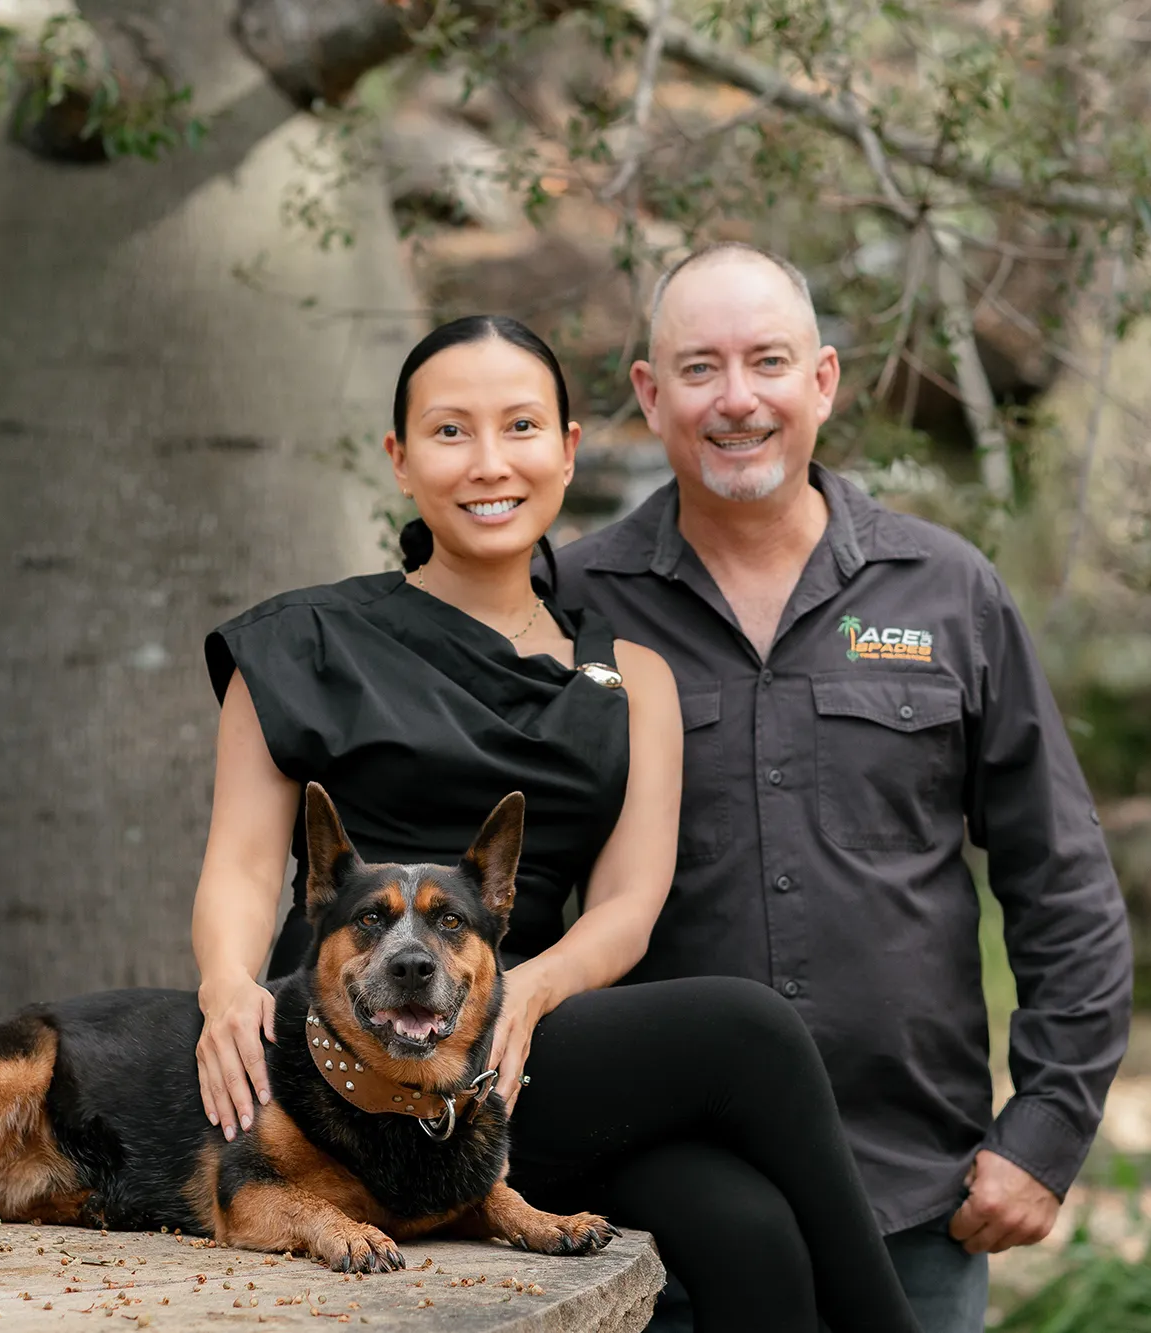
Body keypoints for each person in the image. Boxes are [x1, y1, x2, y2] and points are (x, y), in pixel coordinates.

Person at [186, 314, 921, 1333]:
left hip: (533, 1043)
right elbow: (238, 864)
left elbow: (626, 904)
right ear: (399, 461)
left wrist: (530, 987)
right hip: (353, 1055)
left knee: (747, 1231)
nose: (489, 462)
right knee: (748, 1028)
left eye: (521, 426)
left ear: (568, 450)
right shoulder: (300, 640)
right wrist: (224, 983)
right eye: (450, 432)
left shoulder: (635, 678)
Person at [552, 243, 1134, 1333]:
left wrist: (1045, 1131)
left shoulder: (946, 590)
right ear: (647, 392)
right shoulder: (571, 607)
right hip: (653, 1221)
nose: (736, 400)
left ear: (821, 379)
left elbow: (1061, 879)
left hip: (909, 1207)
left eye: (766, 362)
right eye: (698, 368)